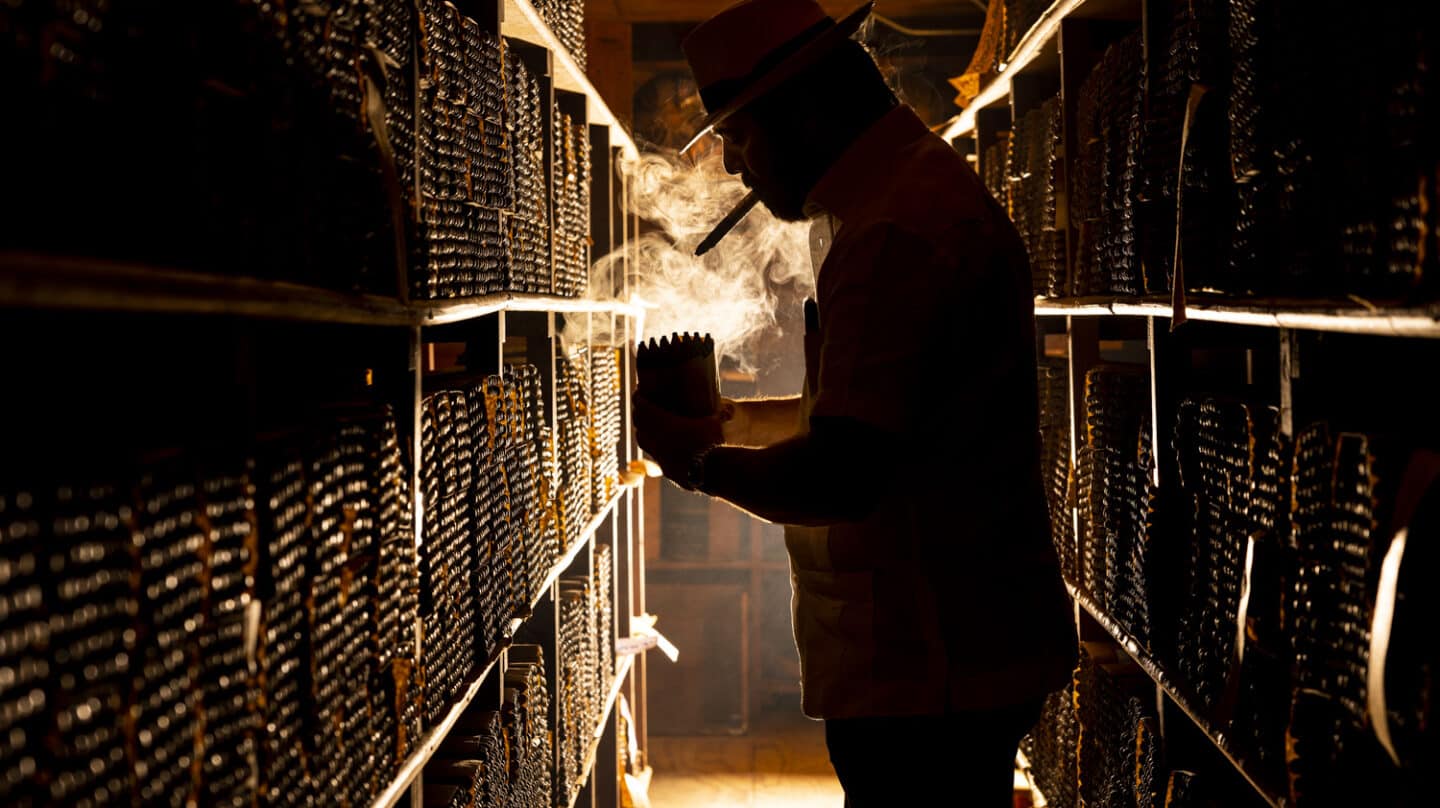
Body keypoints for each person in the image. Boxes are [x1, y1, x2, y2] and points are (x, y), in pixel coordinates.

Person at [630, 1, 1078, 805]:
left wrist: (694, 462)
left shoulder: (892, 235)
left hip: (930, 667)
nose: (735, 168)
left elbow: (842, 475)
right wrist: (731, 422)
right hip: (939, 660)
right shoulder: (890, 200)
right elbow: (868, 412)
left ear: (803, 109)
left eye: (741, 136)